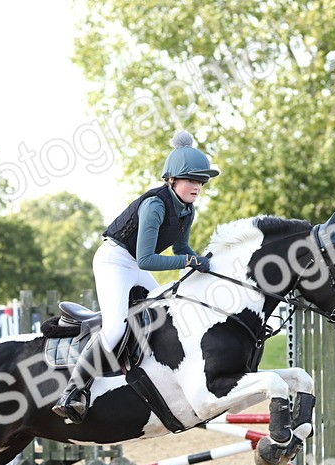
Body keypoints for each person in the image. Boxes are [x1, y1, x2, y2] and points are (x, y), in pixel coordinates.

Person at [52, 131, 218, 423]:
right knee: (115, 329)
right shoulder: (155, 205)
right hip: (114, 261)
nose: (197, 186)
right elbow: (146, 259)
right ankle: (72, 393)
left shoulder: (187, 210)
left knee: (166, 313)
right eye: (191, 180)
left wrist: (203, 265)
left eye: (200, 181)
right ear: (172, 180)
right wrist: (190, 260)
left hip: (135, 264)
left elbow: (180, 248)